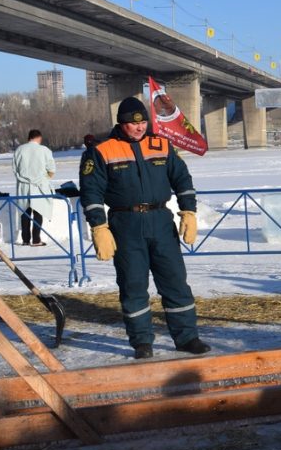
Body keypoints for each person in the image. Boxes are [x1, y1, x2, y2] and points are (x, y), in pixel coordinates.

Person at [79, 97, 209, 359]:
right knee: (133, 285)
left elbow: (182, 178)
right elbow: (91, 191)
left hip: (161, 220)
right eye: (132, 124)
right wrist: (99, 227)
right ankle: (141, 341)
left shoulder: (161, 144)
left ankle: (187, 337)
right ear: (121, 123)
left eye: (142, 123)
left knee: (175, 282)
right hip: (125, 224)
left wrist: (189, 211)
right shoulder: (102, 150)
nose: (139, 128)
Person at [12, 129, 56, 246]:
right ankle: (36, 239)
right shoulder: (44, 150)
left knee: (24, 212)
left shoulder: (19, 150)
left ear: (29, 137)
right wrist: (45, 178)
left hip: (23, 186)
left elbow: (15, 169)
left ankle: (25, 240)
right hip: (40, 185)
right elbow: (52, 169)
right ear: (39, 138)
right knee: (38, 211)